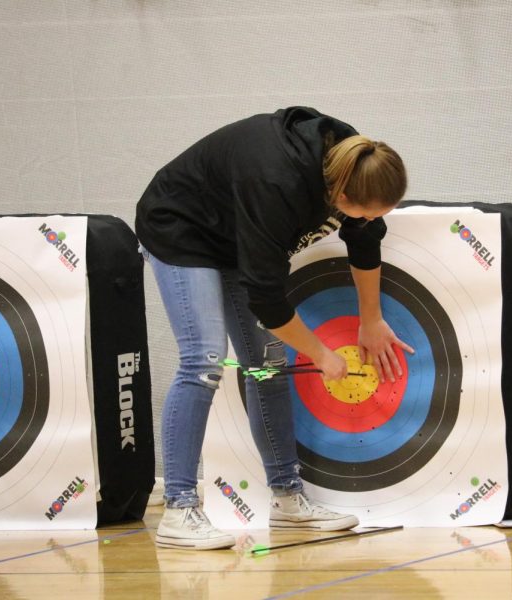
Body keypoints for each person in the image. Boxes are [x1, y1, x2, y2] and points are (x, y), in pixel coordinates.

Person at [135, 106, 414, 550]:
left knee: (266, 362)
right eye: (359, 212)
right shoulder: (277, 182)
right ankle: (180, 508)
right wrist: (322, 355)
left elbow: (364, 239)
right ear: (337, 194)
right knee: (204, 361)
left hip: (233, 236)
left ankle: (288, 500)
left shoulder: (358, 162)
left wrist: (372, 320)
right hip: (181, 227)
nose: (364, 220)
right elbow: (265, 295)